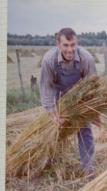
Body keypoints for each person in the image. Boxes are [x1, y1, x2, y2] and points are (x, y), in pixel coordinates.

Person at [39, 27, 97, 180]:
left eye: (73, 45)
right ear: (58, 44)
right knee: (54, 129)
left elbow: (92, 87)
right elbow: (47, 88)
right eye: (66, 45)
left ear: (77, 43)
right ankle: (49, 163)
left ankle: (89, 169)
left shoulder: (86, 59)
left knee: (84, 130)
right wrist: (54, 113)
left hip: (80, 96)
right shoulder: (49, 60)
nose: (70, 50)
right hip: (58, 94)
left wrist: (87, 109)